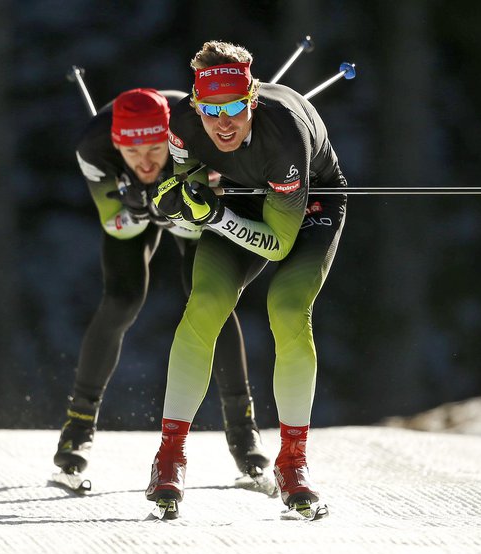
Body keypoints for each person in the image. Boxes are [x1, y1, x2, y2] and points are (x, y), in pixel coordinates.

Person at [146, 41, 347, 512]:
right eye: (211, 110)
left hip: (311, 202)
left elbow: (277, 242)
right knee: (206, 303)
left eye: (235, 107)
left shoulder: (283, 138)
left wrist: (211, 215)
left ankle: (292, 461)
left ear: (252, 100)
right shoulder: (181, 124)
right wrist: (176, 202)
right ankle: (169, 455)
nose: (224, 122)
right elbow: (189, 185)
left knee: (288, 307)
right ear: (195, 106)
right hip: (240, 196)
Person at [53, 87, 270, 479]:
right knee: (122, 300)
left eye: (154, 150)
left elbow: (201, 221)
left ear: (169, 140)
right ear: (117, 144)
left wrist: (174, 206)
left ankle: (243, 432)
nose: (144, 162)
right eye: (132, 153)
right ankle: (77, 428)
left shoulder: (197, 137)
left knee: (209, 300)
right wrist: (138, 209)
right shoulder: (94, 146)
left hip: (192, 208)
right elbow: (112, 224)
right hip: (136, 214)